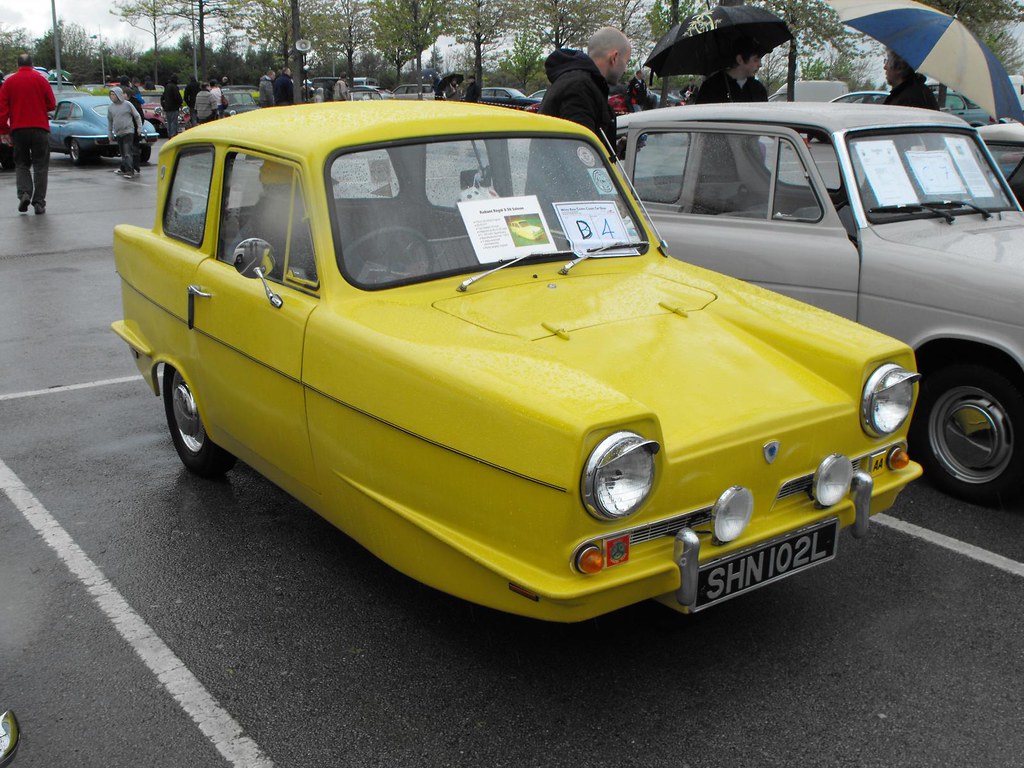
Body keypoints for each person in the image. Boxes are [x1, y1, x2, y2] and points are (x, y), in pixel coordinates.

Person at [539, 27, 631, 152]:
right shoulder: (581, 88)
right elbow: (580, 152)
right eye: (626, 62)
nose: (625, 69)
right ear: (614, 57)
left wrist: (615, 149)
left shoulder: (577, 82)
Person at [0, 53, 56, 214]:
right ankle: (39, 202)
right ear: (32, 64)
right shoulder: (41, 80)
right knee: (40, 165)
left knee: (22, 163)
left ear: (18, 65)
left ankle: (24, 193)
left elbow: (2, 110)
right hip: (40, 128)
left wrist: (3, 130)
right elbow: (51, 104)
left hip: (18, 129)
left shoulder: (9, 82)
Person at [693, 36, 768, 104]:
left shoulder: (758, 88)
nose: (760, 65)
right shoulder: (711, 87)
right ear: (740, 59)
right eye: (755, 60)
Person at [107, 86, 142, 179]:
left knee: (127, 152)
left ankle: (130, 171)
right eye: (111, 94)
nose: (112, 96)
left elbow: (137, 116)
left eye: (113, 94)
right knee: (123, 153)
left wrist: (139, 128)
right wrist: (110, 133)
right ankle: (125, 169)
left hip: (128, 131)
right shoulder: (110, 108)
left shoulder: (127, 104)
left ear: (118, 94)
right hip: (118, 132)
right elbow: (110, 121)